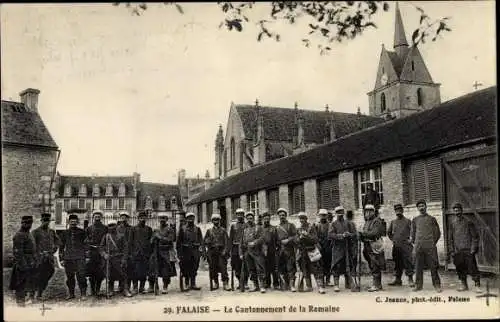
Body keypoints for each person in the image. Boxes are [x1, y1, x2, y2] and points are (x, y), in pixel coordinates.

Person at [447, 203, 482, 293]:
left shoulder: (468, 222)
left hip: (468, 250)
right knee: (460, 268)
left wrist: (473, 249)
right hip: (457, 251)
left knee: (472, 268)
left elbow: (475, 236)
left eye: (458, 210)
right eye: (455, 211)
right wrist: (451, 250)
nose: (457, 212)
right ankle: (464, 285)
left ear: (461, 210)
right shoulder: (452, 223)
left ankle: (477, 285)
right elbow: (450, 238)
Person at [411, 199, 442, 292]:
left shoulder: (432, 219)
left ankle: (437, 285)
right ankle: (418, 285)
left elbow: (437, 233)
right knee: (418, 267)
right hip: (419, 247)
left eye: (423, 206)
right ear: (417, 208)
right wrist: (416, 243)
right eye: (419, 206)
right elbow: (412, 234)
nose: (421, 208)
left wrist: (432, 242)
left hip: (430, 247)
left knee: (433, 266)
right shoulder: (415, 220)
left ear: (426, 207)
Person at [32, 212, 61, 301]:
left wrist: (54, 249)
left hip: (49, 258)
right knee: (37, 275)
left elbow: (58, 241)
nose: (46, 222)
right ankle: (33, 295)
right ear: (41, 221)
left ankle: (40, 292)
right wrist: (38, 253)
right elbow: (32, 245)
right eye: (44, 220)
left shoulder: (52, 232)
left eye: (47, 221)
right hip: (39, 258)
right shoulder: (35, 232)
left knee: (49, 273)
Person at [99, 220, 132, 297]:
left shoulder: (122, 236)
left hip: (119, 258)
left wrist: (124, 259)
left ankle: (125, 289)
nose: (112, 227)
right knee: (110, 275)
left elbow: (125, 248)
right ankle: (110, 289)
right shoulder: (106, 236)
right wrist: (104, 254)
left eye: (113, 225)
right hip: (109, 258)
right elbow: (101, 248)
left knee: (123, 275)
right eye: (110, 226)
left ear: (116, 226)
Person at [59, 213, 88, 300]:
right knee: (70, 277)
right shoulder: (64, 233)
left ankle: (83, 294)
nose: (73, 223)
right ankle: (71, 294)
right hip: (68, 258)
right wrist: (61, 259)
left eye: (75, 222)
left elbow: (86, 245)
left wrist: (86, 256)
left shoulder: (82, 232)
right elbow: (61, 247)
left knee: (81, 276)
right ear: (68, 222)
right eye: (71, 222)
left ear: (77, 222)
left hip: (80, 257)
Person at [9, 215, 36, 306]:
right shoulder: (19, 235)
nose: (28, 225)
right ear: (22, 223)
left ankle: (24, 301)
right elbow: (18, 253)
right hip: (22, 264)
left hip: (30, 262)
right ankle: (20, 304)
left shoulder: (29, 234)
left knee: (27, 284)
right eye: (25, 223)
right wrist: (23, 266)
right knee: (20, 284)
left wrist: (33, 261)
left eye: (29, 223)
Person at [329, 206, 357, 292]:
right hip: (337, 248)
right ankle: (336, 285)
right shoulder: (333, 224)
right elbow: (330, 235)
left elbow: (355, 234)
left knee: (347, 265)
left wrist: (349, 235)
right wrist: (341, 236)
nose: (340, 215)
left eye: (341, 213)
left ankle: (348, 283)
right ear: (336, 214)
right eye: (338, 214)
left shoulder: (349, 223)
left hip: (347, 248)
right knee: (336, 265)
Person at [296, 212, 326, 294]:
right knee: (305, 269)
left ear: (306, 219)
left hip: (312, 250)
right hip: (303, 252)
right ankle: (309, 287)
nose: (302, 220)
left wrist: (307, 236)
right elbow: (296, 241)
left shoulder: (311, 228)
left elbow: (315, 239)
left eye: (303, 218)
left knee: (316, 269)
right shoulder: (298, 229)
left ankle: (320, 287)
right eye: (300, 219)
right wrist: (299, 239)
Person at [359, 204, 386, 292]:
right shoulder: (367, 222)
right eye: (366, 211)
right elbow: (364, 233)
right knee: (371, 264)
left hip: (375, 245)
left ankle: (377, 285)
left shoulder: (377, 221)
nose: (368, 213)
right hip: (367, 246)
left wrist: (362, 233)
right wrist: (360, 236)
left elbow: (375, 233)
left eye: (370, 211)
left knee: (375, 264)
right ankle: (377, 284)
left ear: (374, 212)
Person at [387, 204, 414, 287]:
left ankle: (410, 279)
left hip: (406, 246)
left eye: (399, 210)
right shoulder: (393, 222)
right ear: (395, 211)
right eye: (396, 210)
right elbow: (389, 232)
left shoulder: (408, 221)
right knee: (397, 263)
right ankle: (398, 280)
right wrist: (393, 240)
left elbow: (413, 231)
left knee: (408, 262)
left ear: (402, 210)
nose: (398, 211)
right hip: (396, 246)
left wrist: (411, 240)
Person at [239, 211, 266, 293]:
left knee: (260, 269)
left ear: (253, 218)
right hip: (247, 252)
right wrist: (241, 253)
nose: (249, 220)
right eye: (248, 218)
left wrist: (255, 242)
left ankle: (262, 286)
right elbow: (241, 242)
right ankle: (255, 285)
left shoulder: (259, 228)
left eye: (251, 218)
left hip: (257, 252)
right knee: (251, 269)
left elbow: (262, 238)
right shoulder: (245, 230)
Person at [150, 214, 177, 294]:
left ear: (167, 219)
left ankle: (165, 286)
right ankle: (153, 286)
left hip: (166, 251)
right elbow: (151, 241)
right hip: (157, 251)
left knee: (166, 270)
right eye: (160, 218)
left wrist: (159, 237)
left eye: (164, 218)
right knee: (153, 267)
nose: (162, 220)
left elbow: (170, 240)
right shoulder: (156, 229)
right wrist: (153, 239)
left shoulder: (170, 229)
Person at [176, 212, 204, 291]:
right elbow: (179, 242)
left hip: (195, 251)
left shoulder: (197, 229)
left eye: (192, 218)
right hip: (185, 252)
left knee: (194, 267)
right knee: (186, 268)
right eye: (189, 218)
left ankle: (193, 284)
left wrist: (201, 251)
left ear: (194, 219)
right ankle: (187, 284)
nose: (190, 220)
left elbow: (201, 240)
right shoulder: (182, 229)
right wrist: (179, 253)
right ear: (186, 219)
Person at [204, 213, 231, 291]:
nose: (216, 221)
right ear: (212, 221)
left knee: (223, 268)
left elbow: (227, 242)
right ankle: (216, 282)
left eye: (217, 220)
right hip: (212, 252)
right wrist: (208, 241)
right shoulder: (209, 231)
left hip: (221, 251)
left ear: (219, 220)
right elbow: (205, 241)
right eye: (214, 220)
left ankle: (225, 283)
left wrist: (225, 251)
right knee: (213, 268)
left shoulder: (223, 230)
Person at [129, 211, 154, 294]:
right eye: (141, 218)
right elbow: (130, 242)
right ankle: (135, 288)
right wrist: (132, 253)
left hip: (145, 254)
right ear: (138, 219)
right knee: (134, 272)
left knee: (144, 271)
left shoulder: (149, 229)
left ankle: (142, 287)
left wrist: (149, 252)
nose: (142, 219)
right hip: (135, 254)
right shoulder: (133, 229)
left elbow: (151, 241)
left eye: (144, 218)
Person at [85, 210, 108, 297]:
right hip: (92, 253)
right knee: (91, 272)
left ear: (101, 218)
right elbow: (85, 241)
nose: (97, 218)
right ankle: (92, 290)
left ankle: (97, 290)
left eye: (99, 217)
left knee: (100, 272)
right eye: (95, 217)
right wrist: (88, 251)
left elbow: (107, 240)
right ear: (93, 218)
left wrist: (103, 249)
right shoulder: (89, 228)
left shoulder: (105, 228)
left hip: (101, 253)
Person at [276, 208, 298, 292]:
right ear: (278, 216)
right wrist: (278, 243)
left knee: (290, 267)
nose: (282, 217)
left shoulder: (290, 225)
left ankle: (292, 285)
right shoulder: (277, 227)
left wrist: (288, 240)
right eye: (280, 215)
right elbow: (275, 239)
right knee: (282, 268)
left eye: (283, 215)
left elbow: (295, 236)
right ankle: (286, 284)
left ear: (286, 216)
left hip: (289, 250)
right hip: (280, 251)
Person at [228, 208, 247, 289]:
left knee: (246, 266)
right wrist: (230, 251)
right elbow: (231, 239)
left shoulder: (247, 225)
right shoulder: (233, 226)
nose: (240, 216)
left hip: (244, 248)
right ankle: (240, 282)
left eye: (241, 214)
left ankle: (245, 282)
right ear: (236, 215)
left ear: (244, 215)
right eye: (238, 214)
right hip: (235, 248)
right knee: (236, 266)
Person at [261, 212, 280, 290]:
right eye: (265, 219)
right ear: (263, 219)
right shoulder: (260, 229)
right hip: (263, 250)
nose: (266, 220)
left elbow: (277, 239)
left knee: (274, 267)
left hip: (272, 250)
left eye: (268, 219)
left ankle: (276, 283)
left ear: (270, 219)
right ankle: (267, 283)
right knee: (266, 268)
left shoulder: (273, 228)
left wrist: (277, 247)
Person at [116, 211, 133, 294]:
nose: (123, 218)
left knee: (128, 269)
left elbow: (132, 239)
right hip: (120, 250)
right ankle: (120, 286)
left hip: (129, 251)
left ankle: (127, 287)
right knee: (120, 269)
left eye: (125, 217)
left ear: (127, 218)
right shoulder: (118, 228)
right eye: (122, 217)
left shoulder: (130, 228)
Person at [316, 209, 332, 288]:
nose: (323, 217)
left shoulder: (330, 225)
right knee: (320, 264)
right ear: (319, 216)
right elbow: (315, 237)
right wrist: (318, 244)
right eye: (321, 215)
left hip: (328, 247)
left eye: (324, 215)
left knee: (328, 264)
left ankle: (328, 280)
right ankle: (321, 280)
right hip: (320, 247)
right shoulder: (316, 225)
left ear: (327, 216)